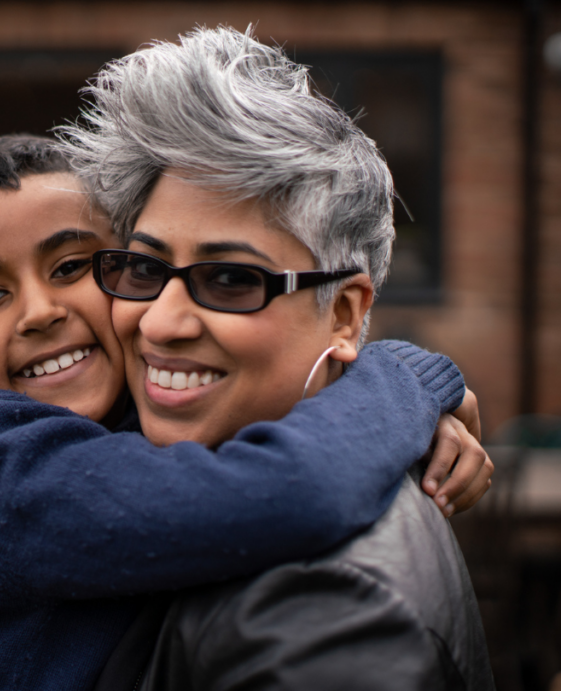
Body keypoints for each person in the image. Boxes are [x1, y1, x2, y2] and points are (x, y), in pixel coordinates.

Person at [0, 135, 491, 691]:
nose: (40, 311)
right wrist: (403, 383)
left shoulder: (145, 406)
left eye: (73, 266)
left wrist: (390, 377)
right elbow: (284, 492)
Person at [58, 25, 494, 689]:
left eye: (232, 280)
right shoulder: (195, 462)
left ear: (345, 313)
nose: (162, 322)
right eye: (144, 270)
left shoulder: (325, 616)